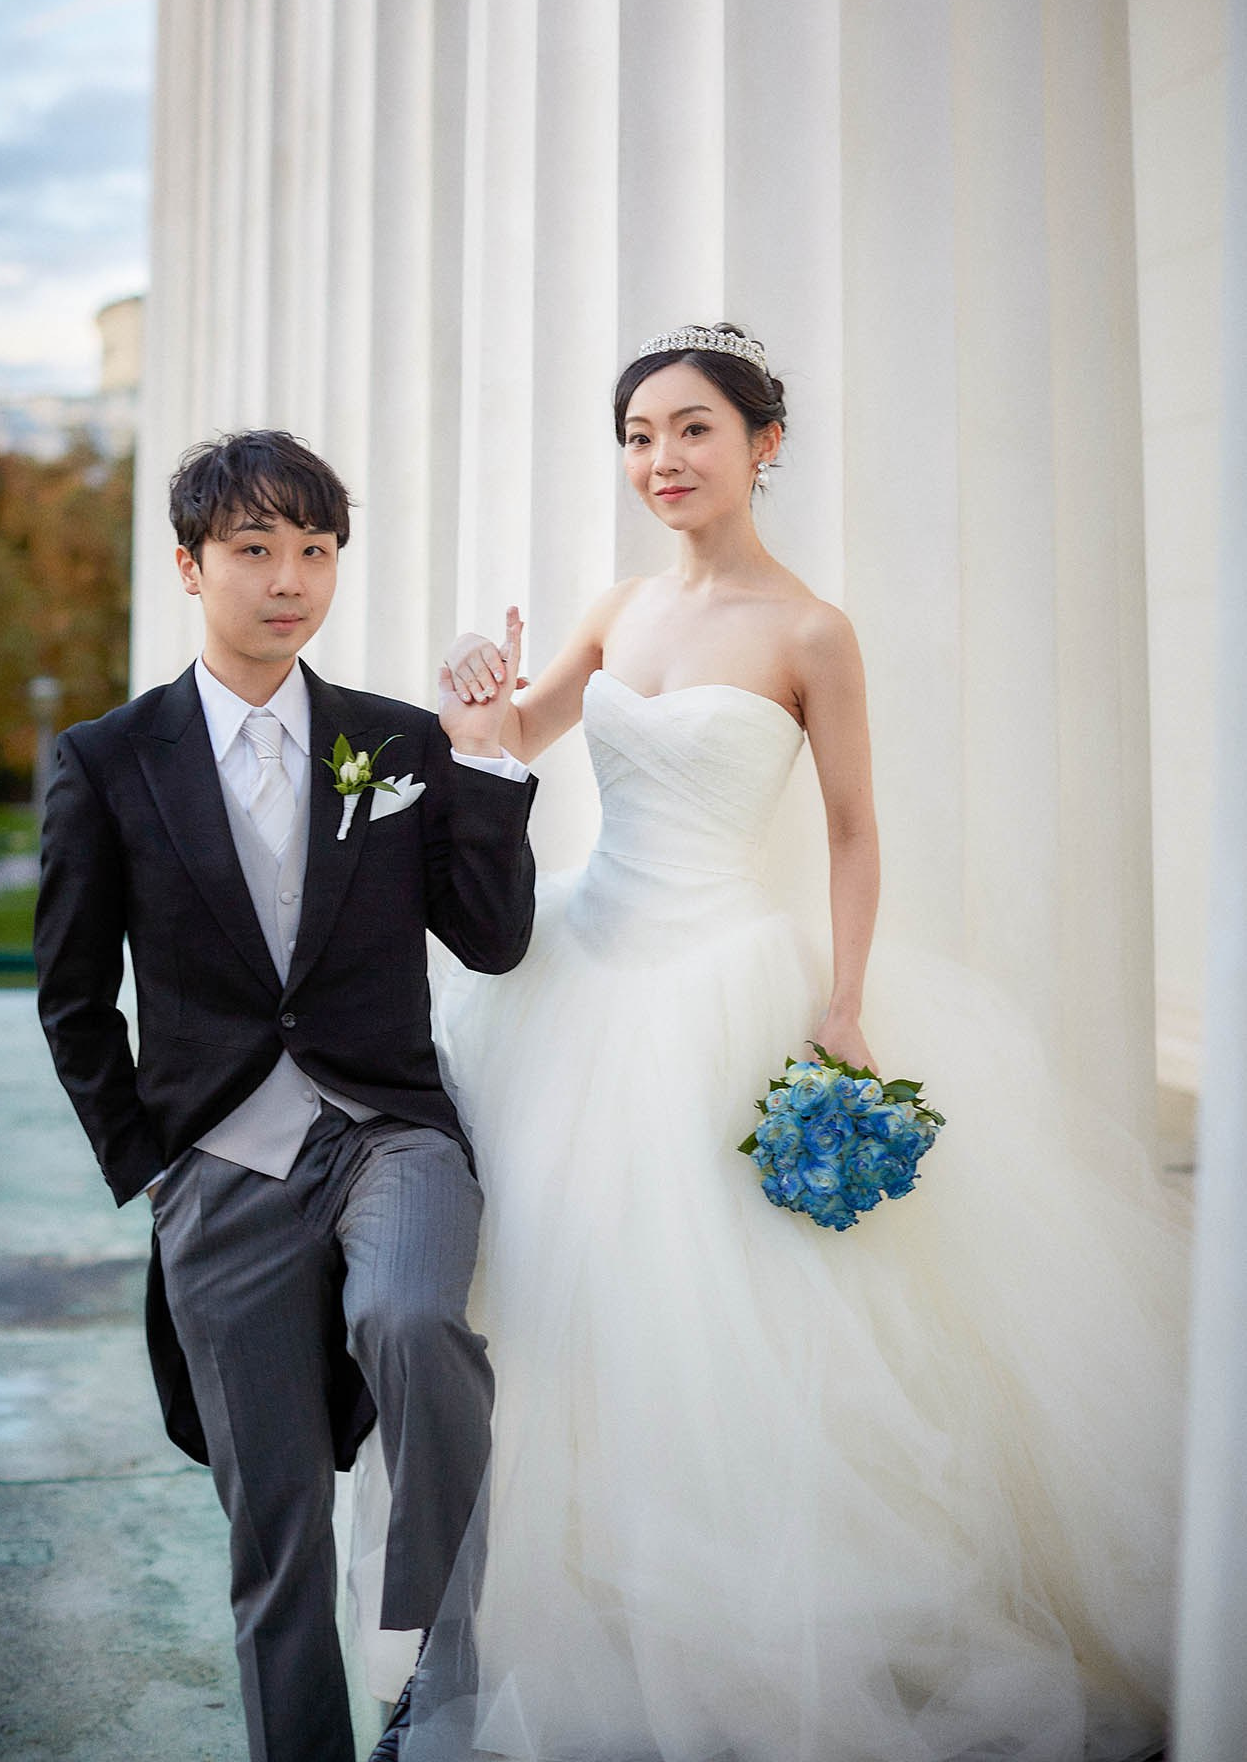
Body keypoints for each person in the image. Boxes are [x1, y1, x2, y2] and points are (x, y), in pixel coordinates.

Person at [370, 326, 1186, 1762]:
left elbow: (856, 829)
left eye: (689, 430)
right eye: (635, 435)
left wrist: (843, 1000)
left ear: (762, 446)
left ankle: (724, 1621)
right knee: (555, 1303)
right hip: (578, 970)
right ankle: (539, 1614)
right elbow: (513, 740)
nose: (659, 461)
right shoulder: (617, 606)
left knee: (721, 1320)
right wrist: (474, 701)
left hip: (719, 987)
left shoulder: (810, 631)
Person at [32, 430, 537, 1762]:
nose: (289, 580)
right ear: (192, 565)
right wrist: (151, 1165)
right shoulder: (107, 761)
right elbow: (73, 997)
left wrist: (486, 764)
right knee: (274, 1531)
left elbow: (487, 939)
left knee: (415, 1319)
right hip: (218, 1164)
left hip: (389, 1130)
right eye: (255, 550)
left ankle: (438, 1674)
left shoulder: (396, 741)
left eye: (314, 551)